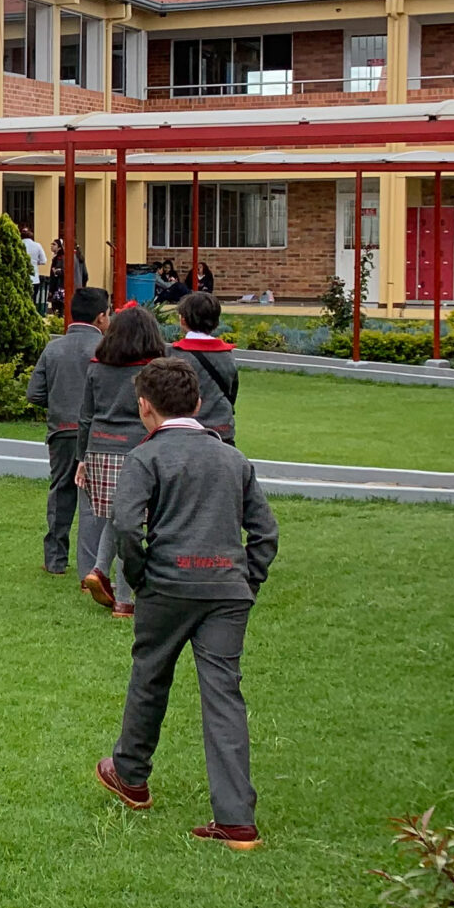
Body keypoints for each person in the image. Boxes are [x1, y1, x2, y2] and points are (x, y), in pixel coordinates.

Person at [95, 355, 280, 851]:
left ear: (144, 407)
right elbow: (265, 533)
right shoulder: (233, 458)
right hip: (226, 590)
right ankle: (236, 820)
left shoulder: (145, 458)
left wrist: (139, 577)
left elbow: (127, 526)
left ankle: (131, 774)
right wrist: (247, 582)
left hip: (167, 585)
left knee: (150, 676)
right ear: (198, 403)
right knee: (224, 695)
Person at [78, 301, 168, 615]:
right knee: (131, 522)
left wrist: (81, 458)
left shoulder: (96, 366)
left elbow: (86, 416)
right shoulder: (153, 371)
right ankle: (126, 599)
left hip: (99, 448)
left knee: (116, 518)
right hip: (138, 450)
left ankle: (99, 569)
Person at [27, 284, 110, 579]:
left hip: (61, 430)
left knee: (61, 492)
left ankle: (55, 560)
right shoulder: (105, 350)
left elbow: (34, 393)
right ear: (101, 317)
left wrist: (59, 403)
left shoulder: (53, 348)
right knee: (96, 497)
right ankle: (96, 563)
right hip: (98, 433)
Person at [169, 289, 239, 440]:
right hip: (222, 430)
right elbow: (232, 392)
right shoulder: (227, 355)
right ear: (216, 322)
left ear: (183, 320)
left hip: (185, 432)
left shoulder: (174, 355)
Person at [21, 226, 50, 310]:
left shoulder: (18, 244)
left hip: (21, 278)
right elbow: (44, 261)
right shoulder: (37, 245)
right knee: (32, 301)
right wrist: (35, 262)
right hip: (34, 278)